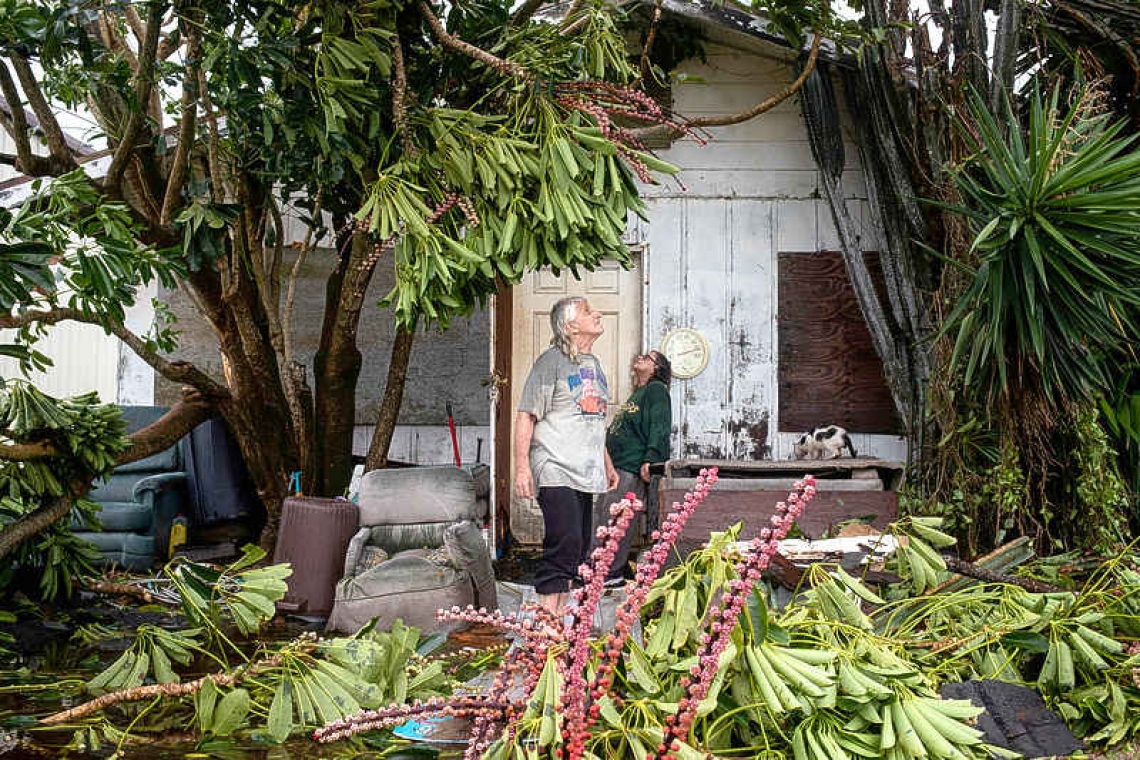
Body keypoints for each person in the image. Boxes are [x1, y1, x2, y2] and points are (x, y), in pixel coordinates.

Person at [515, 296, 619, 614]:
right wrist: (522, 466)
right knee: (564, 542)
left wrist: (607, 463)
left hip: (585, 471)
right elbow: (526, 415)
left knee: (578, 549)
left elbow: (592, 419)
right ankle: (548, 625)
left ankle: (559, 618)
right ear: (572, 326)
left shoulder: (594, 365)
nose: (597, 313)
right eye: (589, 311)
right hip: (554, 464)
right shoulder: (552, 362)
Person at [594, 350, 672, 585]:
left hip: (631, 466)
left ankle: (610, 573)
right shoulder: (638, 394)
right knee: (604, 517)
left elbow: (660, 424)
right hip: (616, 466)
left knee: (618, 519)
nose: (640, 357)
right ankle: (598, 570)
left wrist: (651, 459)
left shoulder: (656, 389)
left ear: (657, 369)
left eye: (648, 357)